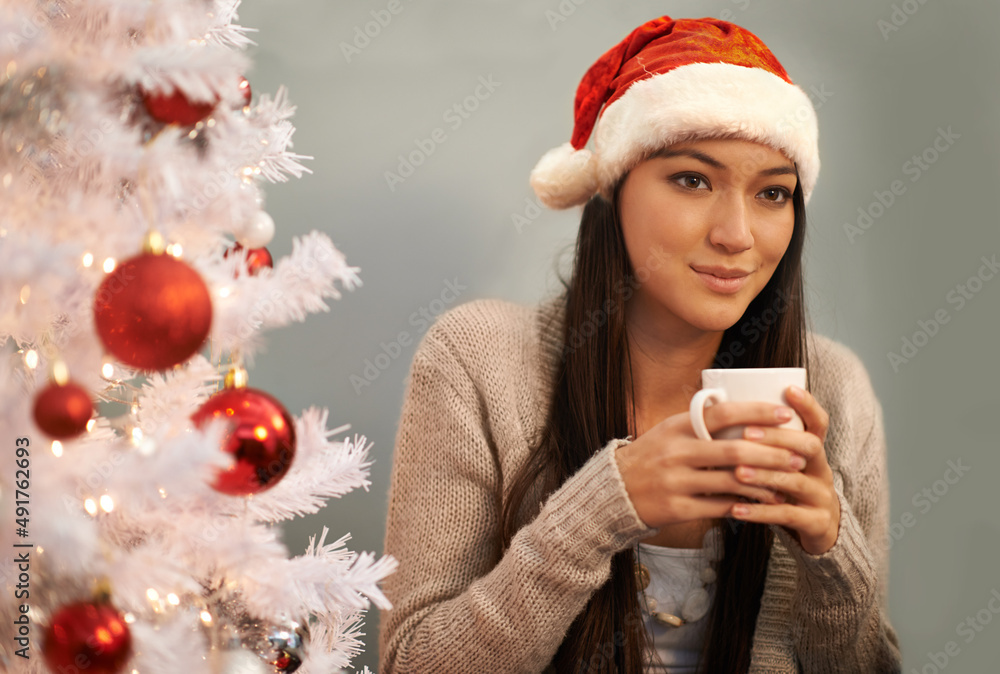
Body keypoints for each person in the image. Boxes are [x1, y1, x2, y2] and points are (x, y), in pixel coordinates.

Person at [378, 16, 902, 674]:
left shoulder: (835, 387)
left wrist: (832, 550)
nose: (738, 234)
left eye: (772, 192)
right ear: (611, 186)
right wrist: (601, 509)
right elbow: (414, 663)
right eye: (692, 180)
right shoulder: (477, 359)